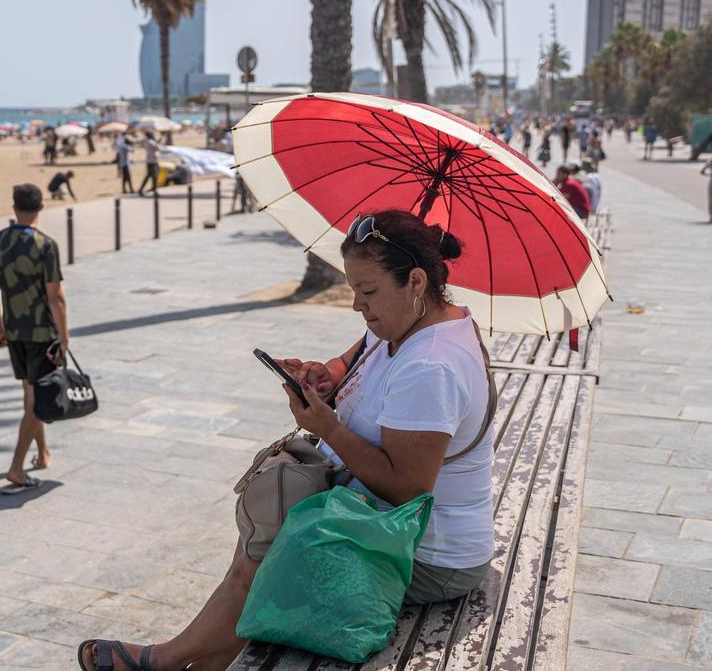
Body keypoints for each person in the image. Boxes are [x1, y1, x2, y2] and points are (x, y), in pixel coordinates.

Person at [76, 211, 494, 670]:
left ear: (416, 281)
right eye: (354, 288)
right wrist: (325, 376)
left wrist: (328, 428)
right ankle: (192, 662)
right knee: (270, 522)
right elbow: (351, 362)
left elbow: (406, 488)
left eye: (368, 290)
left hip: (430, 556)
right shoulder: (403, 325)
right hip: (394, 531)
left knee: (272, 548)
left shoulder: (431, 365)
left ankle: (164, 661)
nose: (357, 304)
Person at [0, 184, 69, 494]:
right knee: (36, 398)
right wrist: (64, 338)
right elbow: (55, 297)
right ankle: (17, 468)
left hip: (15, 331)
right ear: (41, 207)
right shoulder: (45, 245)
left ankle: (43, 453)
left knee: (32, 393)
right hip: (41, 333)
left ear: (14, 206)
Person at [137, 132, 160, 196]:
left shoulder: (146, 142)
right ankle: (152, 190)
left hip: (149, 161)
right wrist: (157, 142)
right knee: (154, 176)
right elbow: (157, 148)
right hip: (153, 161)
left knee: (149, 176)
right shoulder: (151, 142)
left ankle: (147, 189)